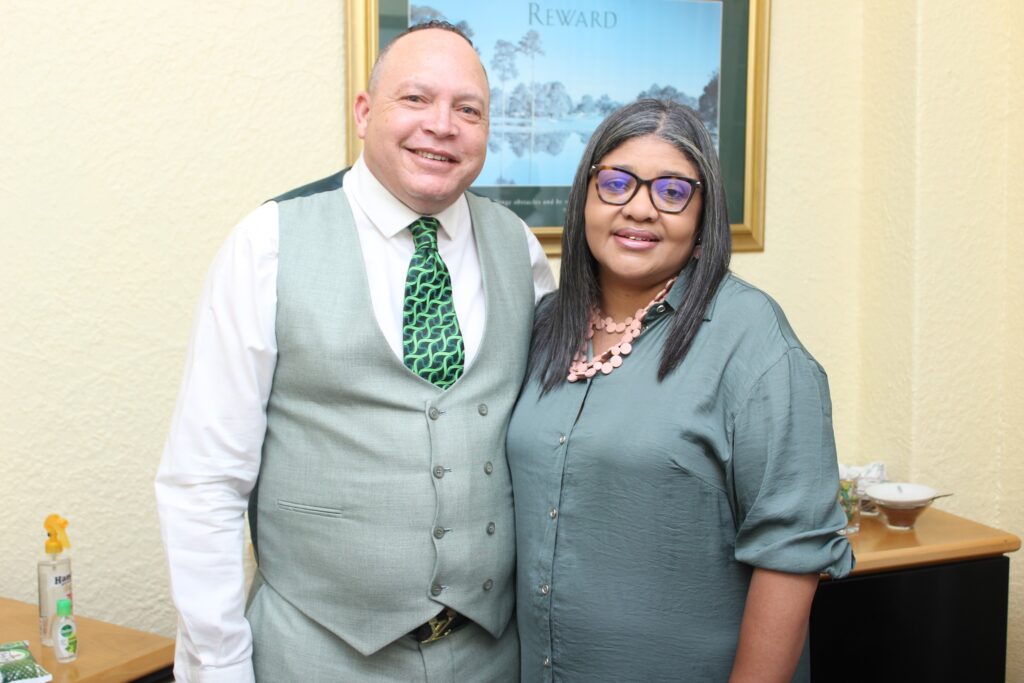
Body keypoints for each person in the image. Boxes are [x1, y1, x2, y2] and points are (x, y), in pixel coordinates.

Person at [156, 21, 555, 682]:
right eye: (416, 99)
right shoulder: (268, 244)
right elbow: (205, 480)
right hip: (316, 654)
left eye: (468, 110)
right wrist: (219, 666)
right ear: (365, 113)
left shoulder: (520, 248)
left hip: (491, 656)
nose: (442, 125)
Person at [507, 99, 853, 682]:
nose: (640, 208)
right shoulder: (545, 325)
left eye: (672, 192)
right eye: (616, 183)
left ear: (703, 214)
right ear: (585, 196)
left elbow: (792, 558)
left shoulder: (753, 340)